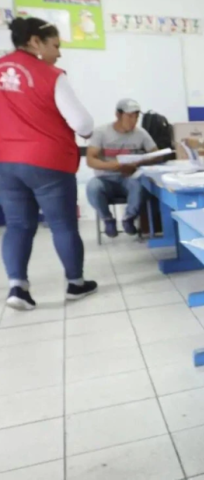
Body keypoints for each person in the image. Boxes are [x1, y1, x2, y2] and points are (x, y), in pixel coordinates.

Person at [0, 17, 99, 310]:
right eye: (55, 45)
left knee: (17, 225)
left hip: (5, 162)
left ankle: (18, 288)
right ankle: (75, 283)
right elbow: (82, 123)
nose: (59, 53)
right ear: (35, 42)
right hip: (48, 162)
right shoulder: (50, 74)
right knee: (62, 225)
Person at [85, 99, 160, 237]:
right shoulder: (101, 132)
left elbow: (156, 155)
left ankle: (129, 218)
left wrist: (139, 162)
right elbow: (91, 160)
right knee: (92, 187)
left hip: (129, 178)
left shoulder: (141, 133)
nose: (134, 121)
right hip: (104, 178)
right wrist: (114, 166)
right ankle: (108, 220)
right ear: (118, 115)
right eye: (130, 116)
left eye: (136, 117)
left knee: (139, 185)